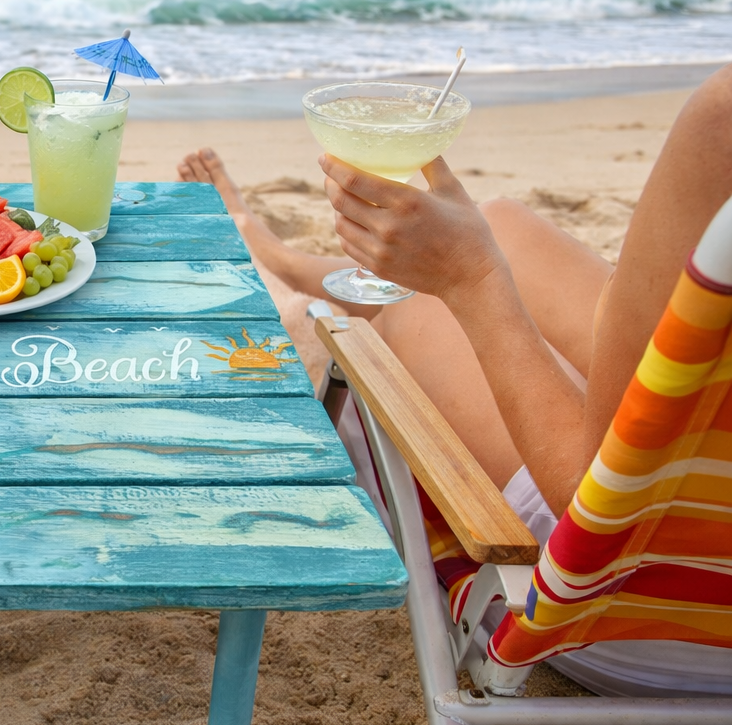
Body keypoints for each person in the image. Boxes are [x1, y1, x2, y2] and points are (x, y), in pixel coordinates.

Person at [179, 64, 732, 541]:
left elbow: (600, 507)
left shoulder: (722, 117)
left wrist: (474, 279)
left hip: (637, 587)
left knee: (426, 299)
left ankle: (297, 266)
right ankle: (285, 259)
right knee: (501, 220)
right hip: (700, 503)